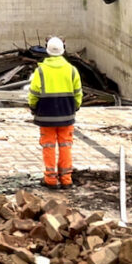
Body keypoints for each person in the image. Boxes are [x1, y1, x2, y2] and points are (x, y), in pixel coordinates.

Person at [28, 37, 82, 189]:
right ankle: (66, 179)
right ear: (63, 49)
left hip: (46, 115)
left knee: (49, 146)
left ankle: (50, 180)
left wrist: (33, 107)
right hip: (66, 114)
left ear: (47, 50)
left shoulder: (41, 71)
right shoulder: (72, 70)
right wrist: (75, 107)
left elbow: (33, 93)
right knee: (66, 145)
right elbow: (78, 93)